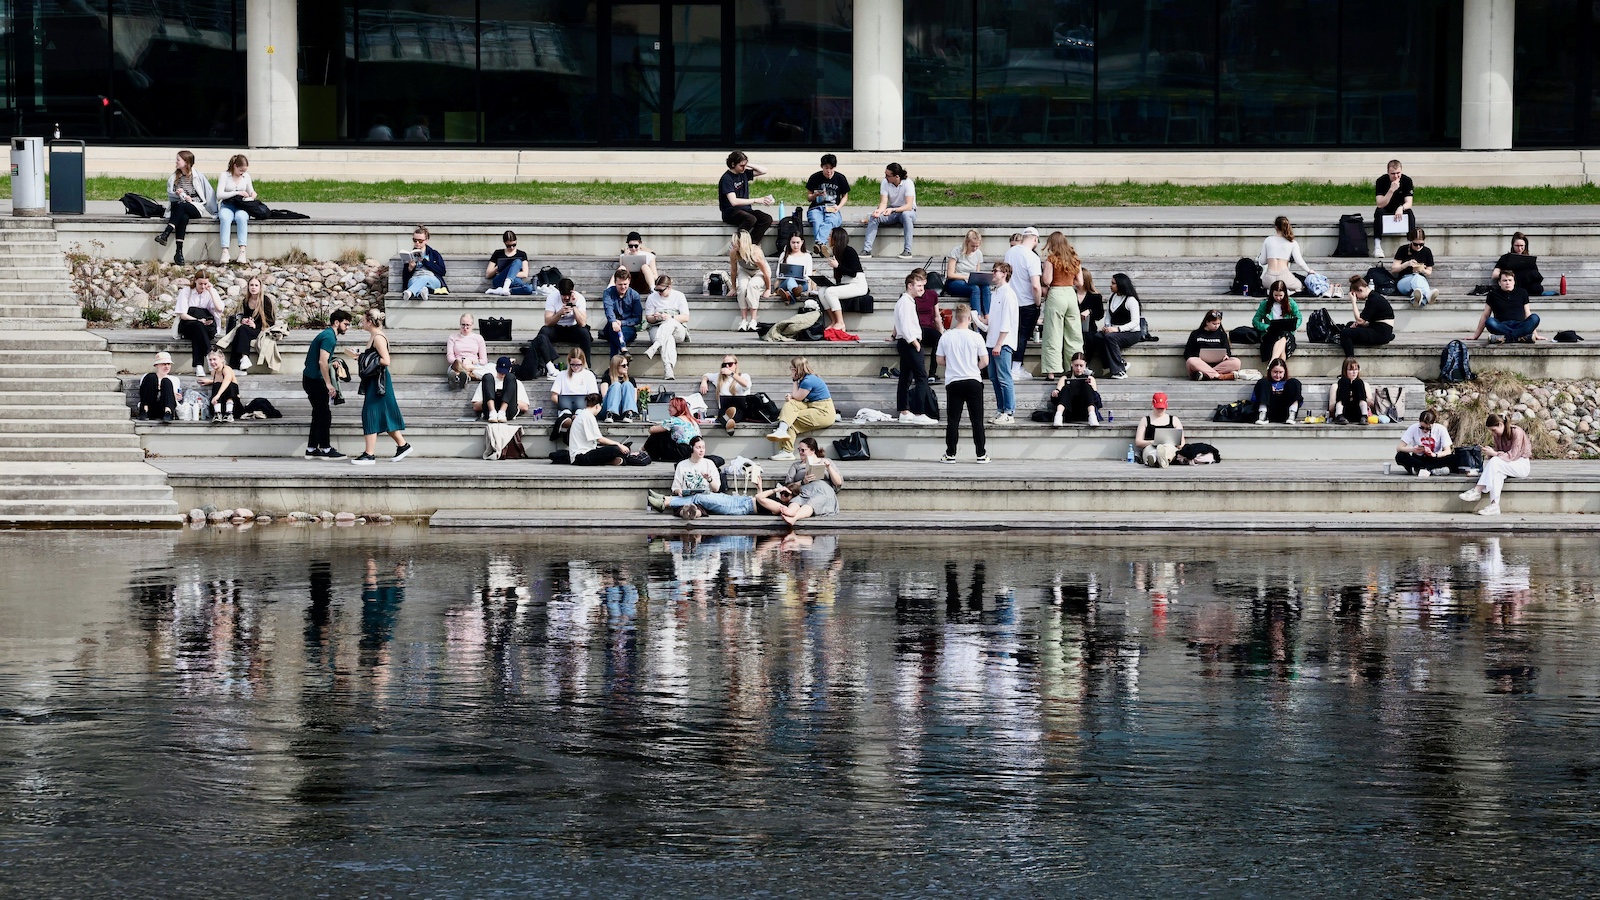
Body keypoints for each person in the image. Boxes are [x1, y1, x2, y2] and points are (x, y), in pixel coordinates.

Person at [352, 308, 412, 464]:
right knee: (384, 414)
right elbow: (375, 357)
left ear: (370, 322)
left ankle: (369, 454)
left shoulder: (378, 337)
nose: (362, 323)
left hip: (380, 381)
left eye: (363, 320)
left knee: (370, 413)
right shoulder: (374, 336)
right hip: (376, 380)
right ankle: (403, 445)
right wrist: (361, 357)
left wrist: (367, 361)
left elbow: (386, 360)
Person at [936, 303, 989, 463]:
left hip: (954, 381)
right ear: (969, 318)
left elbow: (939, 360)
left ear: (956, 317)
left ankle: (950, 453)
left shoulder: (946, 336)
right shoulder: (976, 336)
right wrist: (974, 367)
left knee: (953, 420)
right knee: (977, 420)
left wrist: (952, 364)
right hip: (973, 380)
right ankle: (981, 454)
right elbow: (985, 361)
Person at [756, 438, 844, 525]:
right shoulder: (796, 465)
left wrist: (828, 468)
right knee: (797, 500)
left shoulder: (826, 461)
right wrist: (803, 482)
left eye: (803, 450)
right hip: (804, 490)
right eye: (799, 450)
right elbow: (787, 486)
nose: (800, 452)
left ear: (812, 450)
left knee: (814, 502)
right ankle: (790, 512)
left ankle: (794, 518)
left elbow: (838, 482)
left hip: (823, 490)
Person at [765, 356, 837, 462]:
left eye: (791, 368)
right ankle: (782, 431)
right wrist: (792, 396)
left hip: (823, 412)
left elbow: (797, 396)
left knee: (792, 419)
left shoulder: (808, 381)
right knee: (791, 406)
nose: (790, 370)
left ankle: (787, 451)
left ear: (795, 369)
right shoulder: (807, 378)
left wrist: (794, 380)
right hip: (813, 405)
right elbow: (796, 398)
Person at [1459, 413, 1531, 516]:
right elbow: (1499, 456)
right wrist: (1489, 453)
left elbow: (1512, 456)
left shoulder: (1516, 432)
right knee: (1497, 473)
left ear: (1501, 425)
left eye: (1493, 430)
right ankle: (1494, 505)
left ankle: (1477, 490)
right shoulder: (1497, 436)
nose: (1493, 433)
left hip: (1521, 464)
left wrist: (1495, 454)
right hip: (1507, 465)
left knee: (1495, 461)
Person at [302, 310, 351, 460]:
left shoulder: (327, 334)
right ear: (337, 322)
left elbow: (324, 359)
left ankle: (311, 448)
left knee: (318, 413)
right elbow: (322, 361)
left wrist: (332, 362)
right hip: (315, 380)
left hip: (310, 378)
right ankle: (325, 448)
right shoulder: (329, 336)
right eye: (346, 324)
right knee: (324, 414)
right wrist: (329, 384)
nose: (347, 327)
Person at [891, 269, 938, 425]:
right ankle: (919, 413)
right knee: (921, 377)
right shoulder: (905, 302)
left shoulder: (907, 301)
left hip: (907, 343)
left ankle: (904, 411)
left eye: (922, 286)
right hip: (909, 343)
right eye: (918, 286)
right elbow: (905, 326)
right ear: (909, 286)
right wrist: (915, 342)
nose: (921, 289)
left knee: (905, 377)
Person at [155, 150, 216, 266]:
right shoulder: (174, 177)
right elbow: (170, 194)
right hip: (180, 207)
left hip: (195, 207)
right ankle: (179, 252)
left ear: (186, 162)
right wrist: (177, 194)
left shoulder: (198, 176)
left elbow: (207, 195)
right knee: (183, 217)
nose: (176, 162)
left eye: (178, 160)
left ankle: (167, 232)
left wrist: (191, 200)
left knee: (183, 206)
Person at [1039, 231, 1086, 378]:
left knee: (1053, 333)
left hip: (1057, 293)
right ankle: (1075, 368)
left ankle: (1051, 371)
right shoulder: (1075, 260)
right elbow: (1080, 282)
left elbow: (1047, 280)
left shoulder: (1051, 259)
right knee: (1074, 335)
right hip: (1071, 295)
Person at [1002, 227, 1043, 379]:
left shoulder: (1010, 252)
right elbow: (1035, 285)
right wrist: (1038, 303)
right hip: (1027, 302)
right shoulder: (1032, 257)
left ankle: (1010, 364)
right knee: (1023, 335)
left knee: (1011, 333)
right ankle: (1016, 367)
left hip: (1011, 300)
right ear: (1035, 239)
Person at [1086, 273, 1143, 379]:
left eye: (1113, 283)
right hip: (1114, 330)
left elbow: (1135, 322)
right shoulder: (1112, 297)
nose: (1110, 285)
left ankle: (1119, 371)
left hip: (1131, 333)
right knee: (1098, 337)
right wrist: (1107, 326)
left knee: (1110, 337)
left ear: (1120, 285)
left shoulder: (1131, 300)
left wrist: (1117, 329)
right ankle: (1111, 365)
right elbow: (1108, 315)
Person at [648, 436, 723, 513]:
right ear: (691, 448)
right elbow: (675, 488)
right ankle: (685, 511)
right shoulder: (682, 465)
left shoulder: (709, 464)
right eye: (698, 447)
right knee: (684, 508)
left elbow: (716, 489)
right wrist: (678, 491)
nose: (701, 450)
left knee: (698, 504)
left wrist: (709, 479)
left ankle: (665, 500)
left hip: (704, 500)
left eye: (703, 448)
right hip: (684, 499)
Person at [984, 261, 1020, 424]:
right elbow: (994, 322)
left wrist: (999, 343)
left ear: (1004, 273)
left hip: (1002, 343)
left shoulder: (1008, 293)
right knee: (994, 377)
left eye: (996, 271)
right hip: (992, 341)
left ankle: (1009, 411)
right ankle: (1001, 409)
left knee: (1004, 377)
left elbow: (1007, 322)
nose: (993, 273)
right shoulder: (996, 293)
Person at [173, 271, 224, 376]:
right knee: (198, 327)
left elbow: (219, 309)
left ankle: (199, 365)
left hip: (207, 325)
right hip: (188, 323)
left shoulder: (210, 292)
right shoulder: (186, 292)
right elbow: (182, 314)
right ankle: (209, 354)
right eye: (200, 283)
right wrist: (197, 320)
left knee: (199, 332)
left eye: (206, 284)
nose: (203, 286)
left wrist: (211, 291)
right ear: (195, 281)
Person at [862, 162, 917, 259]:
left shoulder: (908, 183)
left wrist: (893, 209)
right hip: (892, 210)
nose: (885, 177)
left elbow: (908, 206)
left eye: (888, 175)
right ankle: (867, 250)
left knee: (906, 215)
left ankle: (907, 250)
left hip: (907, 211)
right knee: (875, 217)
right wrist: (879, 211)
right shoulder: (885, 182)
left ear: (896, 177)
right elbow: (883, 202)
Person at [718, 151, 774, 244]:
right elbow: (734, 201)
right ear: (733, 164)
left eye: (745, 165)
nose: (744, 168)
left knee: (766, 219)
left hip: (746, 210)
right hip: (731, 211)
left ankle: (751, 244)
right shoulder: (727, 178)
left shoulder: (743, 173)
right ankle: (737, 243)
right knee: (750, 219)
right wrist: (756, 200)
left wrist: (747, 164)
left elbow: (764, 170)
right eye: (741, 165)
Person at [219, 275, 273, 372]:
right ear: (248, 287)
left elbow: (271, 321)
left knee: (241, 330)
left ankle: (236, 364)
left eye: (256, 285)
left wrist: (255, 325)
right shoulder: (246, 301)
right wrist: (245, 320)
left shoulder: (265, 301)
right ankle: (243, 361)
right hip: (248, 328)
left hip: (262, 329)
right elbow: (246, 316)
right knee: (240, 332)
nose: (253, 287)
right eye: (251, 285)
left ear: (260, 287)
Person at [817, 227, 867, 332]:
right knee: (822, 291)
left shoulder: (849, 251)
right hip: (845, 283)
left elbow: (853, 273)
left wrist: (837, 266)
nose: (828, 238)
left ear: (837, 238)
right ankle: (834, 321)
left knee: (830, 292)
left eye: (830, 236)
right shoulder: (837, 252)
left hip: (857, 284)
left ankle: (840, 322)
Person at [1472, 270, 1541, 344]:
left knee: (1534, 318)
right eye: (1505, 280)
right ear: (1499, 282)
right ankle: (1520, 337)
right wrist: (1476, 336)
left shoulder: (1522, 292)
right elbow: (1485, 315)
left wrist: (1536, 335)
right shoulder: (1493, 295)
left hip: (1520, 325)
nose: (1508, 283)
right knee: (1490, 321)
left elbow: (1527, 313)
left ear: (1514, 282)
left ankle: (1505, 338)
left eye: (1510, 280)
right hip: (1501, 326)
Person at [643, 274, 690, 379]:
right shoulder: (652, 297)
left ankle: (655, 346)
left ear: (669, 287)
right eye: (656, 290)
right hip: (657, 327)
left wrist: (670, 317)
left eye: (661, 290)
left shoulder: (679, 296)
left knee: (669, 322)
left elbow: (686, 317)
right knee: (668, 338)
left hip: (678, 328)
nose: (658, 293)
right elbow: (648, 318)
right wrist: (656, 318)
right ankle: (668, 368)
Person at [1038, 352, 1102, 426]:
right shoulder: (1064, 378)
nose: (1078, 368)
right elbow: (1056, 398)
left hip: (1084, 411)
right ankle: (1058, 415)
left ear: (1085, 365)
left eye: (1081, 365)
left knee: (1087, 387)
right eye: (1076, 365)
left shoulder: (1090, 379)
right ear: (1072, 364)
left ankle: (1092, 415)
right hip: (1068, 410)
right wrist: (1055, 393)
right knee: (1066, 388)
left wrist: (1092, 390)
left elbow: (1098, 402)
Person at [1338, 275, 1396, 358]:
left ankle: (1350, 359)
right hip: (1380, 329)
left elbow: (1360, 320)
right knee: (1349, 325)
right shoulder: (1373, 297)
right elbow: (1368, 322)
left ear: (1360, 290)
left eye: (1356, 295)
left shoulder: (1373, 299)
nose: (1357, 298)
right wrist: (1358, 324)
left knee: (1345, 333)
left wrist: (1353, 302)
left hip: (1381, 333)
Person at [1257, 215, 1315, 294]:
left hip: (1268, 279)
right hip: (1285, 277)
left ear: (1276, 227)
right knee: (1300, 286)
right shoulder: (1292, 242)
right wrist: (1309, 270)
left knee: (1268, 285)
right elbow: (1299, 262)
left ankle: (1273, 291)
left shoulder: (1268, 240)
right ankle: (1286, 292)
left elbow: (1262, 261)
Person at [1394, 408, 1461, 477]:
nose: (1424, 430)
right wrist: (1413, 450)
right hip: (1418, 458)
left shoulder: (1441, 429)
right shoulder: (1413, 428)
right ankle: (1429, 470)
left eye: (1428, 428)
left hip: (1435, 458)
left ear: (1433, 423)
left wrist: (1435, 455)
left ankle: (1420, 470)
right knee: (1400, 455)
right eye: (1422, 427)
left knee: (1453, 458)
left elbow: (1448, 451)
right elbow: (1399, 448)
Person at [215, 154, 256, 264]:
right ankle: (225, 250)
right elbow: (219, 194)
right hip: (227, 205)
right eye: (240, 170)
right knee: (225, 218)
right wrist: (236, 192)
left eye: (244, 171)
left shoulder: (246, 177)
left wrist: (252, 195)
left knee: (241, 217)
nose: (242, 173)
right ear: (234, 166)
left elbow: (251, 191)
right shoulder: (225, 175)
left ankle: (242, 250)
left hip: (242, 205)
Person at [729, 231, 773, 332]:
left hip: (759, 272)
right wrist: (733, 287)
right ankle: (744, 320)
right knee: (743, 287)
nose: (732, 243)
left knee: (752, 286)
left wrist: (768, 289)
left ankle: (753, 320)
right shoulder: (733, 252)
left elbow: (766, 272)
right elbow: (733, 271)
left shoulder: (755, 253)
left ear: (741, 243)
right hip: (745, 271)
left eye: (735, 242)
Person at [539, 277, 593, 358]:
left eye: (569, 294)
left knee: (585, 333)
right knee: (543, 332)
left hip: (573, 329)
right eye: (564, 295)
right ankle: (547, 362)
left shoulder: (579, 298)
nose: (567, 298)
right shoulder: (552, 297)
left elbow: (582, 323)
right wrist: (559, 313)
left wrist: (574, 306)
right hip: (557, 329)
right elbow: (547, 322)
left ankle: (586, 365)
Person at [569, 393, 628, 466]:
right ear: (597, 406)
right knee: (615, 449)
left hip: (588, 451)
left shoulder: (585, 414)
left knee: (623, 448)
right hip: (580, 456)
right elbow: (599, 439)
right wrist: (618, 444)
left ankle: (608, 460)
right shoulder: (588, 416)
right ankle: (608, 460)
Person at [700, 353, 753, 436]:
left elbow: (746, 385)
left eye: (730, 364)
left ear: (736, 365)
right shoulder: (718, 377)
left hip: (740, 409)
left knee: (736, 412)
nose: (727, 366)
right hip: (724, 408)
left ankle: (727, 420)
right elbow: (706, 375)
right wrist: (704, 382)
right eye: (724, 365)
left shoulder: (744, 376)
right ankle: (729, 422)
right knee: (722, 412)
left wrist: (732, 374)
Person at [805, 154, 850, 248]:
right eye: (826, 168)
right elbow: (808, 198)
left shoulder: (840, 178)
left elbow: (845, 196)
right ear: (822, 167)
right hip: (816, 207)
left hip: (832, 207)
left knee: (831, 220)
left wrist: (838, 207)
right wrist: (814, 195)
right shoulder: (815, 177)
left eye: (831, 168)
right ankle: (822, 246)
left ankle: (819, 244)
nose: (828, 171)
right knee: (817, 221)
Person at [1251, 280, 1302, 363]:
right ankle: (1280, 367)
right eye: (1275, 295)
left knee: (1283, 335)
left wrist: (1294, 325)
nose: (1278, 298)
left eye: (1281, 295)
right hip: (1270, 333)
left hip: (1287, 333)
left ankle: (1273, 362)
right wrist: (1265, 327)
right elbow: (1256, 320)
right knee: (1282, 339)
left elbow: (1299, 317)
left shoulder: (1291, 303)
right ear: (1271, 293)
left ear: (1285, 293)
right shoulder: (1265, 304)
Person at [943, 229, 989, 319]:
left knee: (986, 287)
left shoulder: (978, 254)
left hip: (970, 281)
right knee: (975, 289)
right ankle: (977, 317)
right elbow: (950, 274)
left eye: (977, 246)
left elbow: (977, 272)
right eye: (972, 246)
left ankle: (988, 316)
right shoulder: (956, 251)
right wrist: (967, 277)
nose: (975, 248)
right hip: (955, 281)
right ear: (967, 243)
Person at [1373, 158, 1415, 257]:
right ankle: (1377, 246)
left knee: (1410, 214)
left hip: (1400, 209)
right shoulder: (1381, 181)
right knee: (1378, 212)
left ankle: (1411, 244)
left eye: (1398, 173)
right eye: (1392, 174)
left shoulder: (1407, 181)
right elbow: (1380, 204)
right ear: (1388, 172)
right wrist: (1391, 190)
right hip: (1386, 208)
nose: (1396, 176)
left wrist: (1401, 208)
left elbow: (1409, 203)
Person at [1184, 309, 1241, 380]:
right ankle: (1219, 376)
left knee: (1236, 362)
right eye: (1214, 324)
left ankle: (1205, 375)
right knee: (1191, 361)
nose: (1216, 326)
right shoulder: (1196, 334)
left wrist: (1226, 356)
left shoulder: (1222, 335)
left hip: (1218, 364)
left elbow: (1227, 351)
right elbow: (1187, 353)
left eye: (1218, 324)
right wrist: (1197, 356)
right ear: (1207, 322)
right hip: (1200, 364)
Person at [601, 267, 645, 358]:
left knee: (616, 337)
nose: (623, 287)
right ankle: (623, 351)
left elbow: (638, 318)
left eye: (625, 284)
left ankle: (613, 367)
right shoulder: (608, 293)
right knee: (614, 330)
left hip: (628, 328)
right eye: (620, 284)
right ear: (615, 283)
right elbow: (608, 308)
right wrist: (614, 321)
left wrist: (621, 323)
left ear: (629, 282)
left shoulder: (634, 295)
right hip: (612, 326)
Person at [1392, 227, 1440, 307]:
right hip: (1404, 281)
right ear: (1411, 241)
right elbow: (1394, 269)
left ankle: (1416, 298)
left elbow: (1429, 272)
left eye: (1421, 244)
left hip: (1421, 279)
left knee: (1418, 281)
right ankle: (1427, 295)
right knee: (1416, 278)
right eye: (1415, 244)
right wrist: (1406, 264)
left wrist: (1422, 270)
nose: (1418, 246)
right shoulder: (1403, 249)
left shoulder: (1426, 251)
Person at [644, 397, 702, 463]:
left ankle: (644, 451)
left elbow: (652, 430)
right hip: (694, 452)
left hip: (681, 453)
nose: (668, 409)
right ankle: (644, 450)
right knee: (667, 431)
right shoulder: (693, 420)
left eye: (670, 406)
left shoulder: (675, 421)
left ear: (677, 408)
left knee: (659, 434)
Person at [1135, 392, 1184, 468]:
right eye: (1158, 408)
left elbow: (1181, 441)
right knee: (1151, 452)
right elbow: (1138, 442)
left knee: (1168, 449)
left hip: (1168, 446)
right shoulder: (1145, 420)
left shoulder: (1174, 420)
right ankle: (1157, 459)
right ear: (1153, 405)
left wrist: (1177, 444)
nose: (1160, 410)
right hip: (1150, 446)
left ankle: (1158, 458)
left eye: (1162, 408)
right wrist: (1152, 442)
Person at [474, 356, 527, 423]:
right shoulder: (487, 382)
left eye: (505, 372)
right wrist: (492, 398)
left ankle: (502, 411)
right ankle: (492, 411)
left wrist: (506, 397)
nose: (502, 374)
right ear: (496, 369)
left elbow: (525, 407)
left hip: (508, 411)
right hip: (489, 410)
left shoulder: (517, 383)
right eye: (500, 372)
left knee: (510, 377)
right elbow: (476, 406)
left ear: (510, 369)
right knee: (487, 377)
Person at [1251, 357, 1304, 424]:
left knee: (1294, 382)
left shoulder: (1288, 383)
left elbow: (1299, 401)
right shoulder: (1265, 383)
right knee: (1263, 382)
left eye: (1280, 372)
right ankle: (1262, 416)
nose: (1278, 375)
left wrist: (1282, 392)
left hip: (1284, 411)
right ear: (1270, 371)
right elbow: (1253, 399)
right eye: (1275, 372)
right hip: (1269, 410)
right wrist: (1269, 392)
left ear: (1284, 372)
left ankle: (1291, 415)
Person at [914, 271, 946, 378]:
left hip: (928, 328)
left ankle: (932, 373)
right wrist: (893, 335)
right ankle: (919, 373)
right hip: (914, 328)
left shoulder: (932, 295)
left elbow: (937, 316)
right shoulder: (910, 296)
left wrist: (941, 332)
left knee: (938, 338)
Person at [400, 226, 447, 299]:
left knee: (424, 278)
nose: (417, 243)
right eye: (415, 240)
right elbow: (405, 277)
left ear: (426, 240)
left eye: (420, 241)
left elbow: (442, 271)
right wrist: (409, 268)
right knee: (419, 285)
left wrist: (425, 262)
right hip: (415, 278)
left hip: (432, 279)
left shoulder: (434, 254)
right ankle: (422, 293)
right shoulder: (410, 255)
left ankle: (410, 292)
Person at [551, 347, 600, 414]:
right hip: (564, 409)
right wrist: (562, 404)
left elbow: (593, 395)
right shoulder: (562, 375)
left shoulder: (589, 375)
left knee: (580, 414)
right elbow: (554, 396)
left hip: (584, 409)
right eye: (573, 365)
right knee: (566, 414)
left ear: (583, 362)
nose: (575, 367)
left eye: (578, 365)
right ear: (569, 362)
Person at [446, 315, 488, 390]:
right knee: (454, 369)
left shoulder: (478, 338)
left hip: (473, 364)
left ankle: (460, 377)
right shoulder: (453, 337)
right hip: (457, 363)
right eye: (463, 325)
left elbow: (484, 360)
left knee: (471, 370)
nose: (465, 328)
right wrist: (460, 362)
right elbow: (450, 357)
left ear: (472, 325)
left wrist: (472, 362)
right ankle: (459, 377)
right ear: (460, 324)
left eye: (468, 325)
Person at [484, 230, 533, 296]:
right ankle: (506, 286)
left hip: (514, 281)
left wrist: (511, 274)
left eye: (514, 245)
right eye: (509, 246)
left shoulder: (522, 254)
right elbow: (488, 274)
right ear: (504, 243)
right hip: (500, 280)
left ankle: (504, 289)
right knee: (518, 261)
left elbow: (525, 274)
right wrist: (498, 267)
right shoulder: (498, 253)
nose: (512, 247)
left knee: (529, 289)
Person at [136, 352, 181, 422]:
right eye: (164, 364)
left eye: (168, 364)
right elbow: (144, 394)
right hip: (151, 406)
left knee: (166, 381)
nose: (167, 366)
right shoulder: (147, 377)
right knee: (151, 377)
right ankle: (144, 410)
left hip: (164, 408)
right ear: (157, 365)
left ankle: (167, 412)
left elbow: (173, 398)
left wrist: (176, 396)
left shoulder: (174, 379)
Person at [1327, 357, 1373, 425]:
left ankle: (1364, 417)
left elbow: (1371, 404)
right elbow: (1331, 408)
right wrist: (1343, 396)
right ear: (1345, 371)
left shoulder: (1364, 385)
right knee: (1344, 381)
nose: (1354, 372)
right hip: (1343, 412)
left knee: (1358, 382)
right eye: (1351, 370)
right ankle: (1339, 416)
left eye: (1356, 369)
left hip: (1359, 412)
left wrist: (1360, 396)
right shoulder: (1336, 386)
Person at [199, 350, 239, 422]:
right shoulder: (213, 372)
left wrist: (217, 395)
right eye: (210, 360)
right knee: (217, 385)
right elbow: (220, 382)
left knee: (230, 385)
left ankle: (229, 414)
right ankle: (217, 413)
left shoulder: (227, 369)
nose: (212, 362)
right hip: (219, 405)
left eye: (214, 359)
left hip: (232, 404)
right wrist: (211, 382)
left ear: (222, 358)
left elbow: (227, 380)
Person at [775, 232, 814, 304]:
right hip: (785, 282)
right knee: (790, 279)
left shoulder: (807, 256)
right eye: (793, 242)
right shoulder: (784, 254)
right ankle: (795, 293)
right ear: (789, 242)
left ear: (802, 242)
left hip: (801, 284)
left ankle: (789, 295)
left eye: (798, 242)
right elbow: (778, 273)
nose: (795, 245)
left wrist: (801, 276)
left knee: (799, 286)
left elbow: (809, 274)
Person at [599, 354, 638, 422]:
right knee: (616, 385)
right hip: (608, 407)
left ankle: (628, 413)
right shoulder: (607, 378)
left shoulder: (631, 380)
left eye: (627, 365)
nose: (626, 367)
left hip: (623, 408)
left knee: (627, 384)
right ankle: (610, 413)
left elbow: (633, 400)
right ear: (616, 366)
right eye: (623, 365)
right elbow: (605, 397)